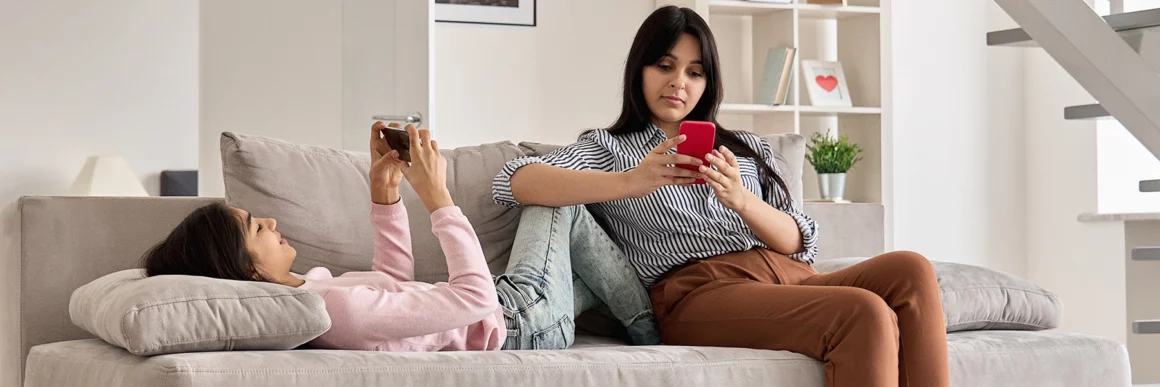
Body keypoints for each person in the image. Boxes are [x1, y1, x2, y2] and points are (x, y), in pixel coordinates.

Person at [491, 5, 949, 387]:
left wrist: (741, 198)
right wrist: (633, 180)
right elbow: (513, 179)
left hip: (788, 278)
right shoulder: (608, 149)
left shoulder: (748, 148)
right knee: (863, 312)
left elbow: (800, 241)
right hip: (698, 294)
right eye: (665, 65)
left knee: (911, 269)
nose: (679, 83)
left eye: (695, 72)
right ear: (640, 70)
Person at [142, 122, 659, 352]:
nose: (273, 223)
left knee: (579, 243)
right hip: (516, 321)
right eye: (257, 227)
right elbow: (475, 298)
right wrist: (438, 196)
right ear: (247, 270)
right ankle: (653, 330)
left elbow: (393, 281)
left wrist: (384, 194)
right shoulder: (331, 313)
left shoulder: (316, 290)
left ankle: (638, 316)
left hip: (514, 310)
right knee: (549, 197)